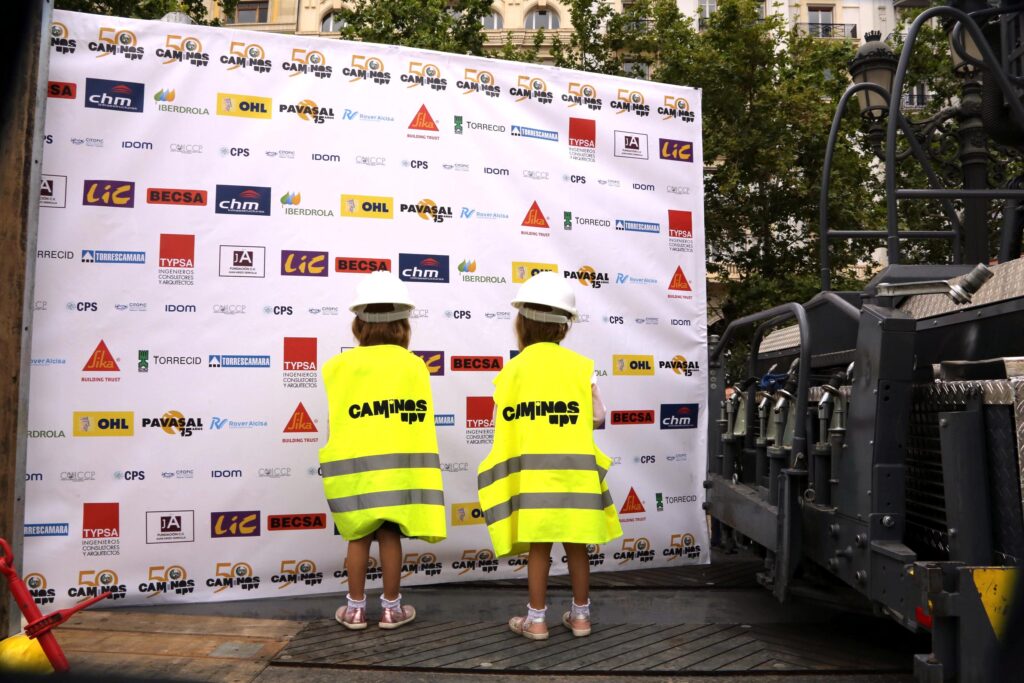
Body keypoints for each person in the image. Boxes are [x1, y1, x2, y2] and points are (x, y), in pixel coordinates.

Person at [476, 271, 623, 640]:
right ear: (564, 327)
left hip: (533, 481)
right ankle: (581, 617)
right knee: (577, 545)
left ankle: (537, 620)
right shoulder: (581, 367)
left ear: (522, 323)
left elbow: (500, 420)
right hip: (576, 478)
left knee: (538, 548)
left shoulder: (511, 371)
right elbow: (598, 416)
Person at [319, 271, 446, 631]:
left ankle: (355, 610)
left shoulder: (337, 367)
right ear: (402, 325)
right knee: (390, 536)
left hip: (355, 473)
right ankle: (392, 609)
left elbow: (337, 422)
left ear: (359, 323)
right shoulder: (414, 365)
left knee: (357, 536)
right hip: (397, 474)